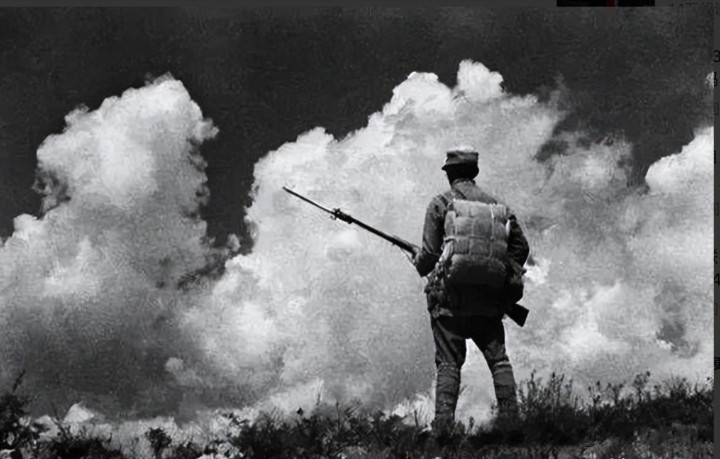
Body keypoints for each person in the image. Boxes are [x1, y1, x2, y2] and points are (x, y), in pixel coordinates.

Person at [412, 148, 530, 436]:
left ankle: (443, 430)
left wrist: (418, 260)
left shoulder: (440, 203)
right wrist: (497, 271)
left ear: (450, 173)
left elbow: (429, 256)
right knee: (499, 360)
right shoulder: (499, 207)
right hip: (489, 300)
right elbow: (521, 247)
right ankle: (511, 424)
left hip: (449, 301)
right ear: (474, 172)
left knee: (449, 363)